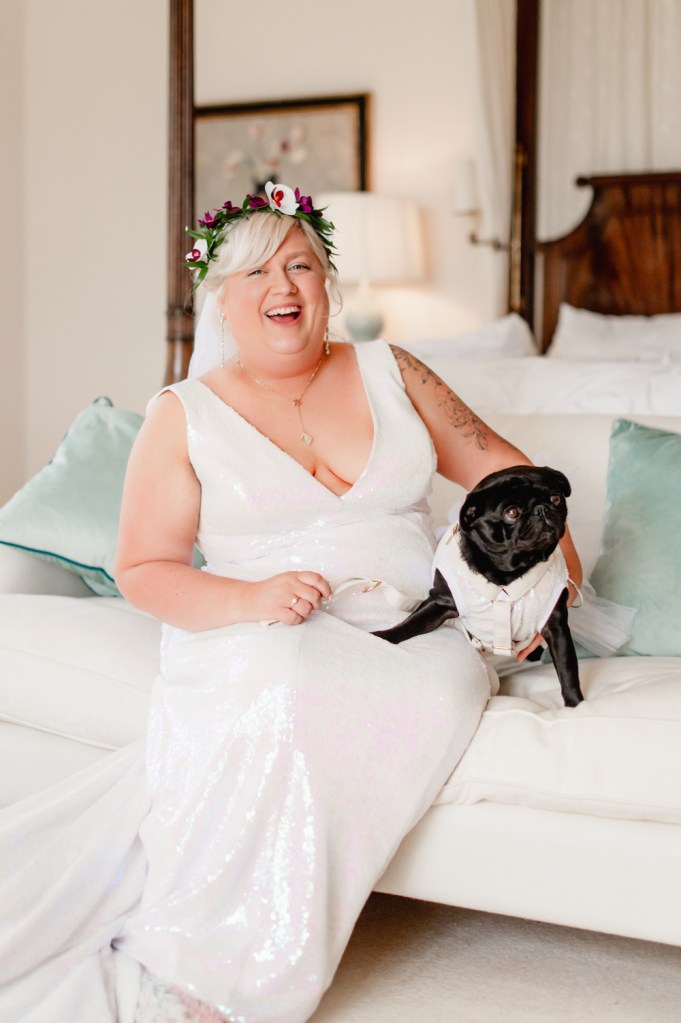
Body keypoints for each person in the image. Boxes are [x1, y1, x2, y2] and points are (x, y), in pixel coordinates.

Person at [0, 181, 582, 1023]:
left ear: (327, 286)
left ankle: (233, 977)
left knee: (410, 686)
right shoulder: (182, 414)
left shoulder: (393, 369)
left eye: (302, 265)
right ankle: (197, 973)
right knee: (288, 675)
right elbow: (144, 567)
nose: (284, 286)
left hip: (412, 633)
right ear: (222, 302)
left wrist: (542, 585)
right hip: (248, 626)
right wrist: (249, 596)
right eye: (258, 273)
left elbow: (503, 469)